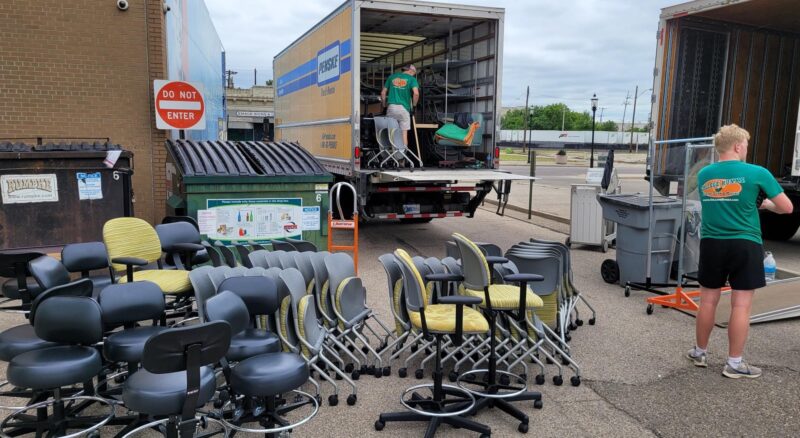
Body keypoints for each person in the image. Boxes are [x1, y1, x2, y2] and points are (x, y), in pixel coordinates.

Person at [687, 124, 793, 378]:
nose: (746, 148)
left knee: (708, 301)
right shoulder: (758, 173)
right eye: (745, 144)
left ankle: (700, 352)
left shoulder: (705, 175)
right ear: (737, 146)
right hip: (745, 244)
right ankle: (734, 363)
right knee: (741, 306)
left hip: (712, 243)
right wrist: (767, 204)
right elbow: (787, 208)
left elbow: (721, 199)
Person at [380, 64, 419, 147]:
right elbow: (416, 93)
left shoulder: (392, 77)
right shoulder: (411, 79)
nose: (413, 76)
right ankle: (402, 157)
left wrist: (384, 106)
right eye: (414, 74)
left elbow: (383, 93)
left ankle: (392, 156)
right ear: (410, 71)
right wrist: (414, 107)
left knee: (391, 134)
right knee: (404, 134)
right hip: (404, 109)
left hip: (391, 108)